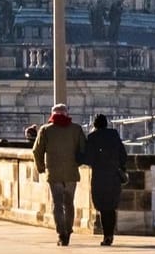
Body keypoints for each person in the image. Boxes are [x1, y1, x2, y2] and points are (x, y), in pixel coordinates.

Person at [31, 105, 87, 246]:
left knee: (57, 204)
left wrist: (41, 167)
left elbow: (36, 151)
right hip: (71, 172)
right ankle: (68, 230)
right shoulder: (76, 129)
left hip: (54, 172)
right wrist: (76, 164)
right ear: (67, 114)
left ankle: (61, 233)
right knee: (69, 204)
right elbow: (83, 150)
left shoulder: (45, 130)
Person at [81, 113, 129, 246]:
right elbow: (123, 156)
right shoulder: (114, 135)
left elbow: (88, 159)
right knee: (111, 207)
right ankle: (110, 234)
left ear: (95, 125)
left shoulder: (92, 137)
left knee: (102, 207)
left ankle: (106, 235)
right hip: (114, 177)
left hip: (99, 178)